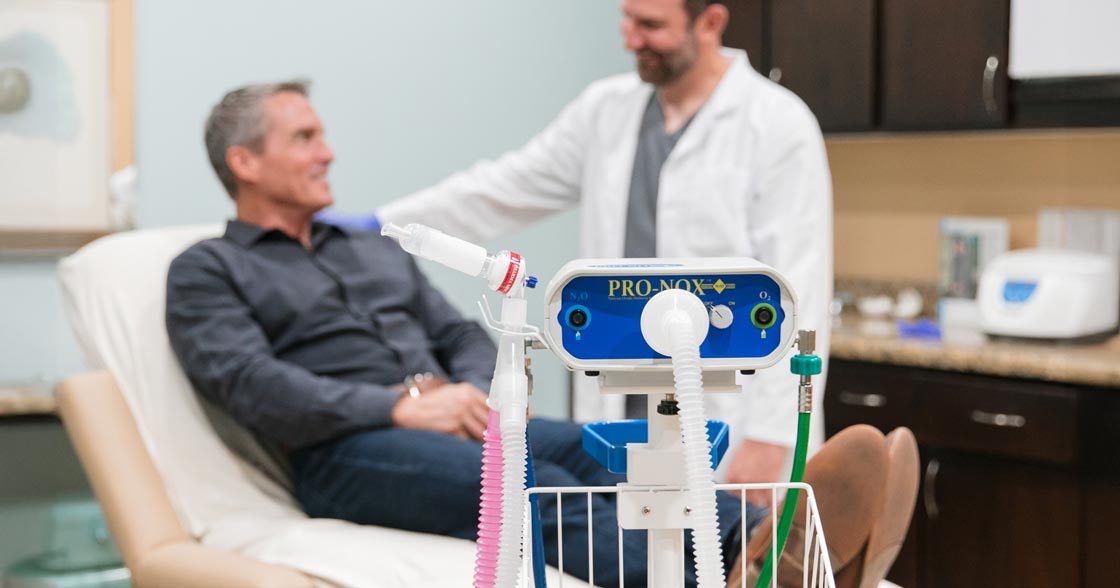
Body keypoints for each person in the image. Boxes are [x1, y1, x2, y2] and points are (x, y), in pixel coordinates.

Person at [166, 81, 900, 587]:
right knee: (542, 484)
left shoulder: (366, 247)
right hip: (350, 453)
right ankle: (746, 574)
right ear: (245, 162)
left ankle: (781, 544)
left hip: (466, 422)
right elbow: (253, 385)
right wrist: (400, 406)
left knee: (608, 449)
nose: (327, 152)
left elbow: (457, 330)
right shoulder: (207, 270)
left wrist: (480, 392)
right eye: (304, 138)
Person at [373, 0, 833, 509]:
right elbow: (504, 187)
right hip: (620, 395)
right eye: (627, 20)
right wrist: (383, 225)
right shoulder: (606, 111)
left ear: (710, 23)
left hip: (730, 404)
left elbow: (798, 285)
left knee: (724, 557)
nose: (631, 39)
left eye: (651, 26)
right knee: (629, 545)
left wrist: (773, 436)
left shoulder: (776, 123)